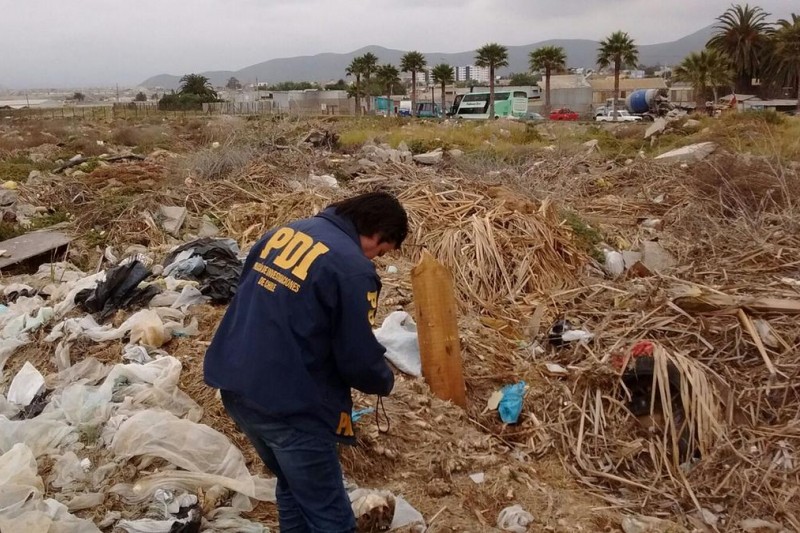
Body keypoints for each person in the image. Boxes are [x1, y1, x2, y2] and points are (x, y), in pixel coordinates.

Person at [204, 191, 408, 532]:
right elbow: (356, 356)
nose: (374, 258)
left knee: (294, 486)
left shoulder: (286, 233)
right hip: (290, 407)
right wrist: (382, 380)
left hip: (237, 386)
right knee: (331, 516)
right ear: (376, 233)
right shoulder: (352, 269)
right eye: (381, 251)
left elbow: (252, 299)